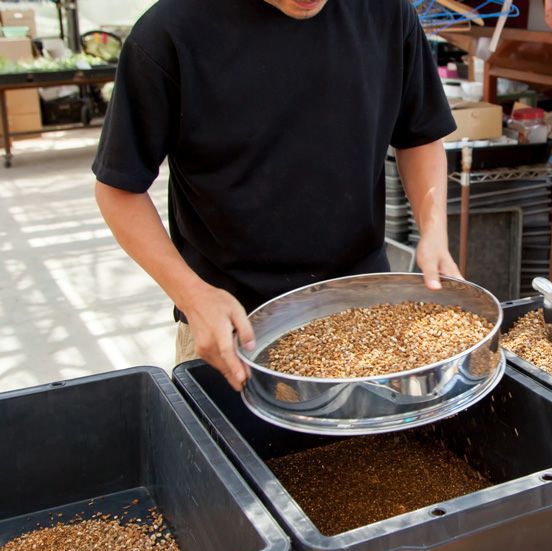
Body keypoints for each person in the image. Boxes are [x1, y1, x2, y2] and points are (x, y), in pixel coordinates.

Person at [93, 0, 461, 391]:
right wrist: (191, 295)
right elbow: (119, 190)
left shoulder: (387, 12)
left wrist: (433, 228)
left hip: (365, 309)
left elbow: (419, 135)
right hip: (233, 324)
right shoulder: (168, 32)